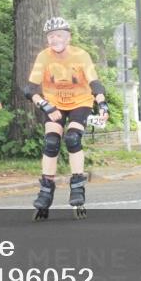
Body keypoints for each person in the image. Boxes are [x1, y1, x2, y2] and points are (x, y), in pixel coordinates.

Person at [23, 17, 108, 218]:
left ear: (68, 37)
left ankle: (77, 186)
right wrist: (45, 105)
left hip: (80, 102)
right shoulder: (44, 57)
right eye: (51, 36)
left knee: (72, 138)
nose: (55, 39)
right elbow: (30, 89)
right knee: (51, 142)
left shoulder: (81, 55)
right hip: (54, 105)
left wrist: (102, 104)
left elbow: (95, 83)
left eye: (59, 35)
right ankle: (46, 190)